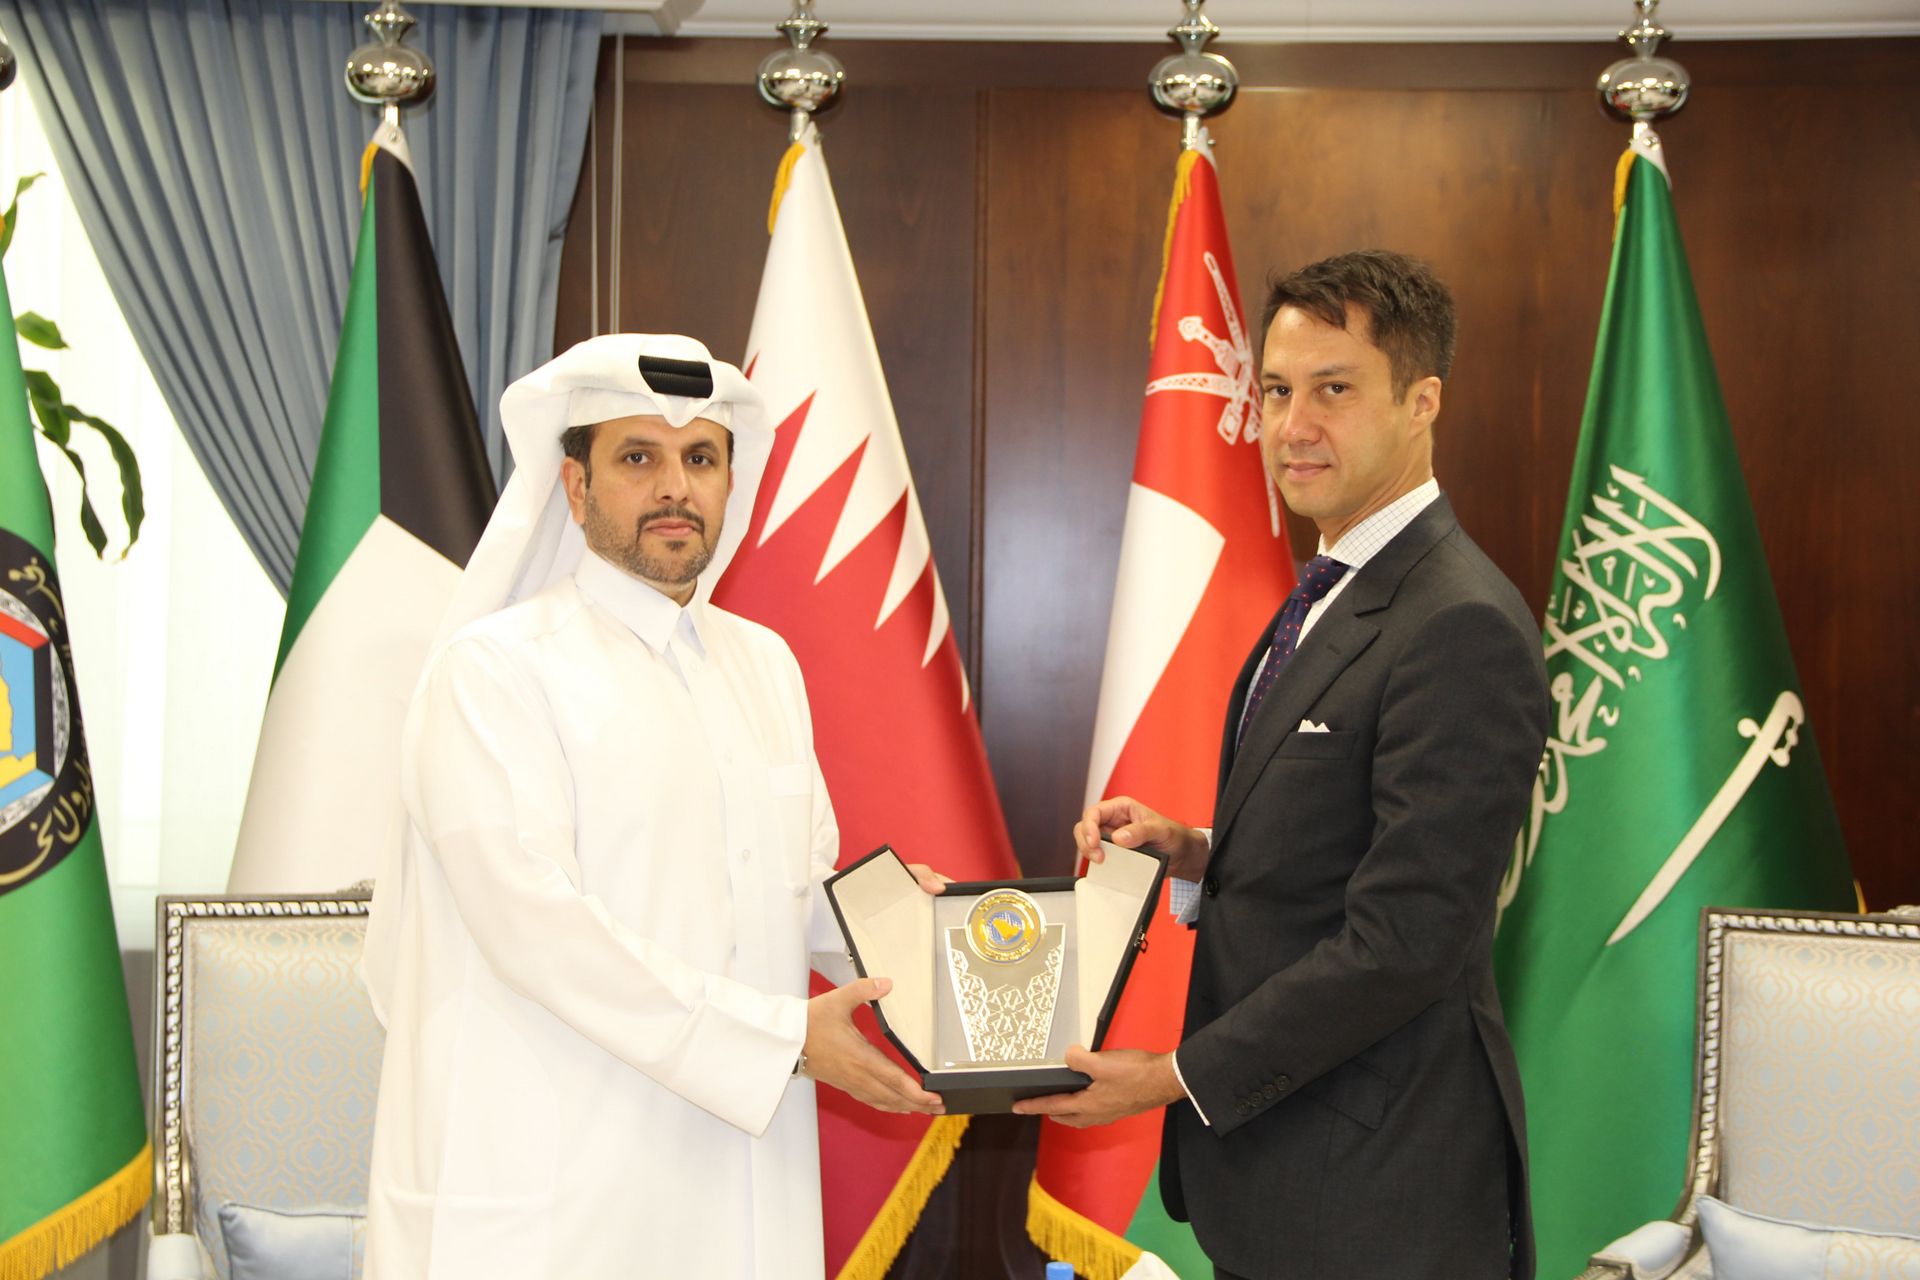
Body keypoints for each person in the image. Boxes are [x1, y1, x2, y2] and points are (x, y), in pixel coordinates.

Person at [360, 334, 947, 1280]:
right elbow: (539, 930)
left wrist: (899, 927)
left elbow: (787, 891)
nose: (676, 487)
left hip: (740, 1176)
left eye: (701, 458)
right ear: (575, 487)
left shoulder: (766, 665)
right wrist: (783, 1039)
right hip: (563, 1190)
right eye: (639, 457)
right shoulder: (493, 672)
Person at [1015, 251, 1550, 1279]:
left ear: (1423, 403)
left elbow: (1404, 941)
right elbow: (1340, 849)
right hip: (1291, 1181)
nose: (1292, 425)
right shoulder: (1334, 586)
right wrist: (1194, 853)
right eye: (1274, 390)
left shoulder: (1460, 622)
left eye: (1334, 390)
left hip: (1381, 1203)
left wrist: (1168, 1076)